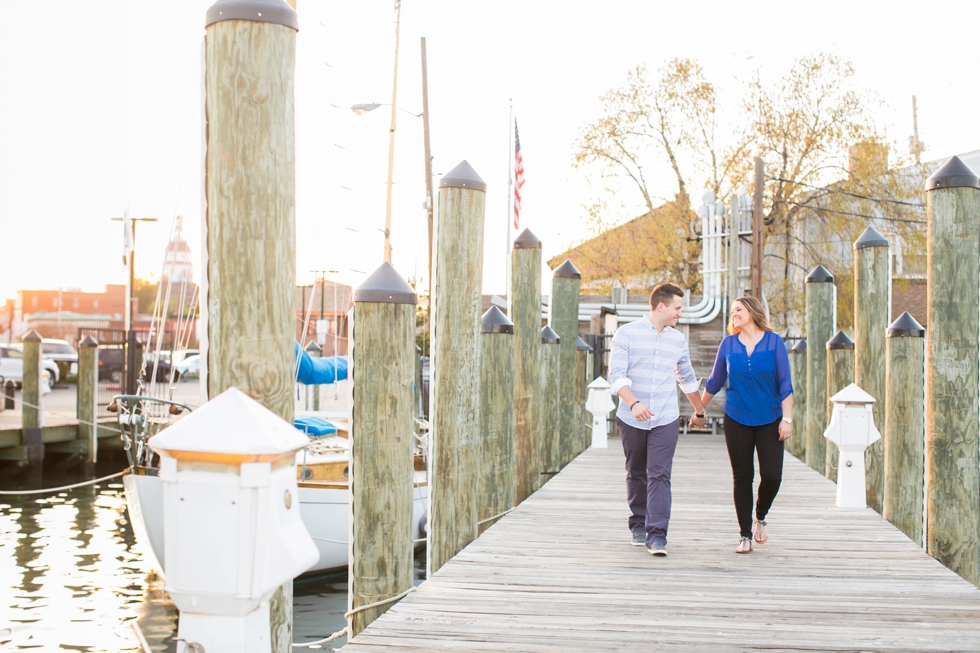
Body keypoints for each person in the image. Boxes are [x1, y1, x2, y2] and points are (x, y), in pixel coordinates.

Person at [609, 283, 708, 557]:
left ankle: (657, 536)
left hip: (665, 417)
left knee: (660, 474)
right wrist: (634, 403)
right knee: (637, 472)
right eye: (677, 308)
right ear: (661, 306)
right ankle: (638, 525)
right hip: (631, 417)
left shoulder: (677, 339)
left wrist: (699, 412)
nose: (680, 313)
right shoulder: (626, 334)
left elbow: (686, 378)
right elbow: (616, 375)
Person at [696, 296, 792, 554]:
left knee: (772, 475)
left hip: (770, 419)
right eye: (732, 312)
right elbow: (715, 382)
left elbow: (785, 384)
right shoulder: (728, 344)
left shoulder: (774, 343)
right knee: (742, 477)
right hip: (737, 417)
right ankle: (745, 535)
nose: (733, 314)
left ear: (752, 311)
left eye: (738, 310)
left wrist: (787, 418)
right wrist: (699, 410)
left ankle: (760, 515)